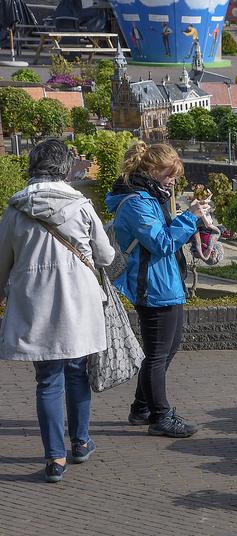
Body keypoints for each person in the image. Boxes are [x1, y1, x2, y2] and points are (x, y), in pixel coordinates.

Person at [0, 139, 117, 483]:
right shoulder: (82, 206)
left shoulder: (15, 210)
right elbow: (107, 256)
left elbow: (1, 265)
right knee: (77, 371)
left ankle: (55, 458)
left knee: (47, 379)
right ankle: (80, 442)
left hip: (34, 303)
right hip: (79, 303)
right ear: (65, 168)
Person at [105, 143, 210, 439]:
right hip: (153, 287)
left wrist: (190, 217)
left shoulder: (152, 197)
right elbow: (161, 243)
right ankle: (161, 416)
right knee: (158, 354)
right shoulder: (138, 203)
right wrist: (189, 217)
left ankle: (141, 408)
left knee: (165, 351)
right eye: (170, 174)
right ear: (151, 172)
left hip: (165, 284)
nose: (174, 181)